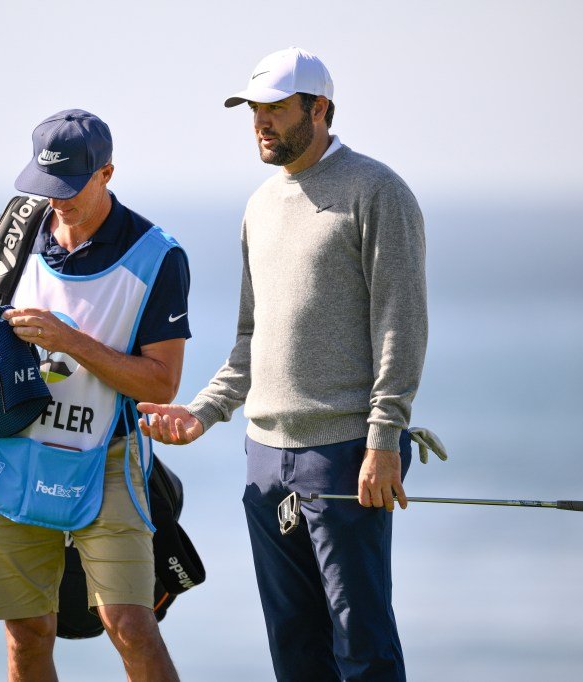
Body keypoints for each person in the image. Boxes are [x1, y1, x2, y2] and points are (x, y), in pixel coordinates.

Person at [138, 47, 427, 681]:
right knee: (294, 647)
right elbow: (251, 336)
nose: (260, 123)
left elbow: (401, 326)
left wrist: (384, 440)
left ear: (319, 109)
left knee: (362, 643)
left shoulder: (377, 191)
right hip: (265, 458)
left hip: (346, 453)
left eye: (275, 108)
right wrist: (202, 413)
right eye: (253, 110)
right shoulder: (260, 205)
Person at [0, 109, 189, 681]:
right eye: (45, 184)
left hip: (108, 461)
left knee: (131, 626)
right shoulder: (16, 228)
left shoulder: (158, 255)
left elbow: (161, 382)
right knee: (26, 634)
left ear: (107, 173)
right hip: (13, 453)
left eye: (70, 186)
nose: (56, 200)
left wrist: (68, 341)